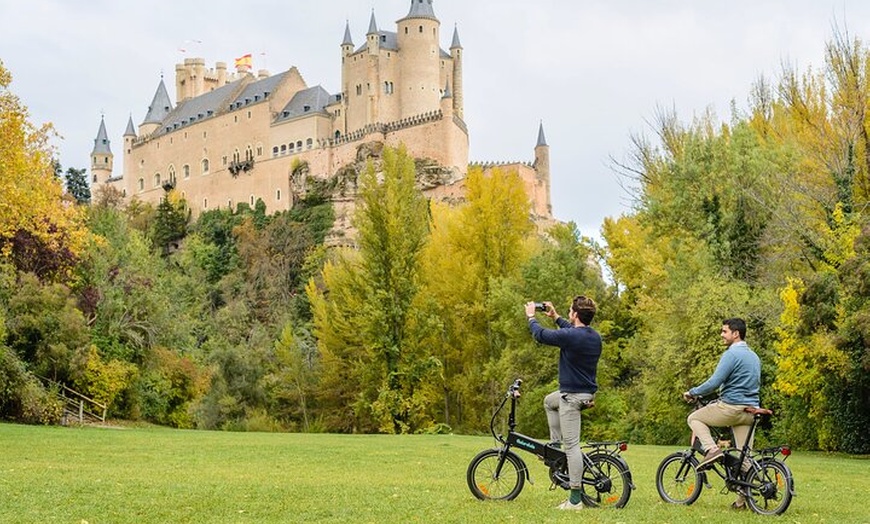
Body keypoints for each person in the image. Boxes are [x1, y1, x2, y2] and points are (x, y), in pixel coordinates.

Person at [525, 296, 602, 511]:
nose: (568, 313)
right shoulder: (593, 336)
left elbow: (541, 335)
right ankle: (555, 449)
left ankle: (575, 500)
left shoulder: (572, 336)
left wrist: (532, 317)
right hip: (583, 392)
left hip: (572, 396)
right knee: (549, 401)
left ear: (575, 314)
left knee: (573, 447)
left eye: (570, 311)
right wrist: (556, 316)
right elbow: (571, 330)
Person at [683, 317, 761, 510]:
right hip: (750, 411)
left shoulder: (731, 354)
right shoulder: (754, 356)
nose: (722, 335)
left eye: (724, 331)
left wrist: (692, 392)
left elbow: (715, 382)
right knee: (745, 459)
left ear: (736, 334)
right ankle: (742, 502)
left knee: (694, 418)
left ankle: (711, 450)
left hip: (731, 408)